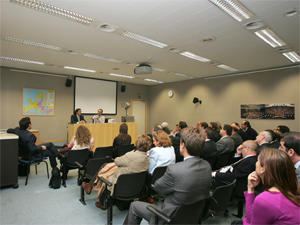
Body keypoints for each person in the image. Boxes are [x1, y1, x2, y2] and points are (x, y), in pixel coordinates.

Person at [123, 127, 212, 225]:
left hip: (169, 216)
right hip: (192, 214)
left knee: (134, 206)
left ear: (183, 146)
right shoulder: (207, 166)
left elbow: (158, 188)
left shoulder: (175, 170)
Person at [81, 135, 151, 209]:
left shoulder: (131, 155)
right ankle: (90, 186)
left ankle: (102, 203)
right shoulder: (147, 158)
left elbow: (117, 161)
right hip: (135, 187)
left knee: (105, 176)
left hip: (120, 185)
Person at [235, 148, 300, 225]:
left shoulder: (266, 199)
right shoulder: (292, 188)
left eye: (257, 161)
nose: (256, 163)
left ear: (263, 169)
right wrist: (251, 188)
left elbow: (250, 221)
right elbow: (251, 218)